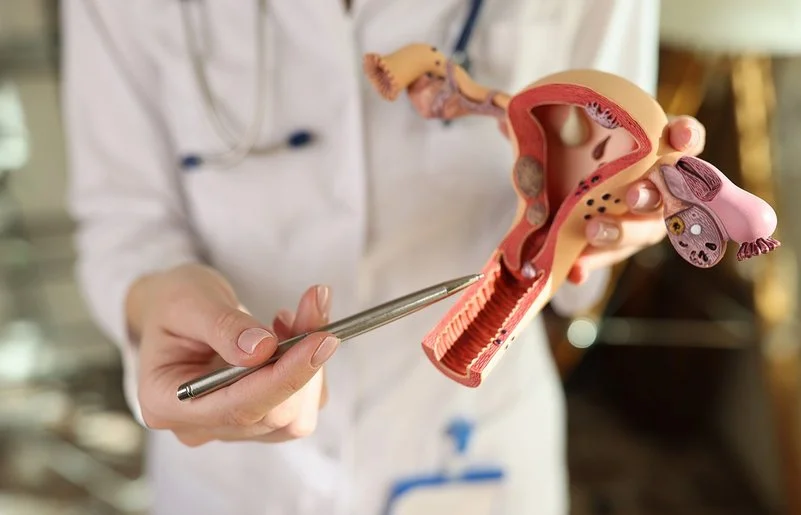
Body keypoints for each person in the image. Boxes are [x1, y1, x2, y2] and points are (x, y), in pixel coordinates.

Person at [61, 1, 706, 514]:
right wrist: (159, 301)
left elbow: (579, 279)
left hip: (471, 447)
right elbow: (124, 222)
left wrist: (613, 226)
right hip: (231, 484)